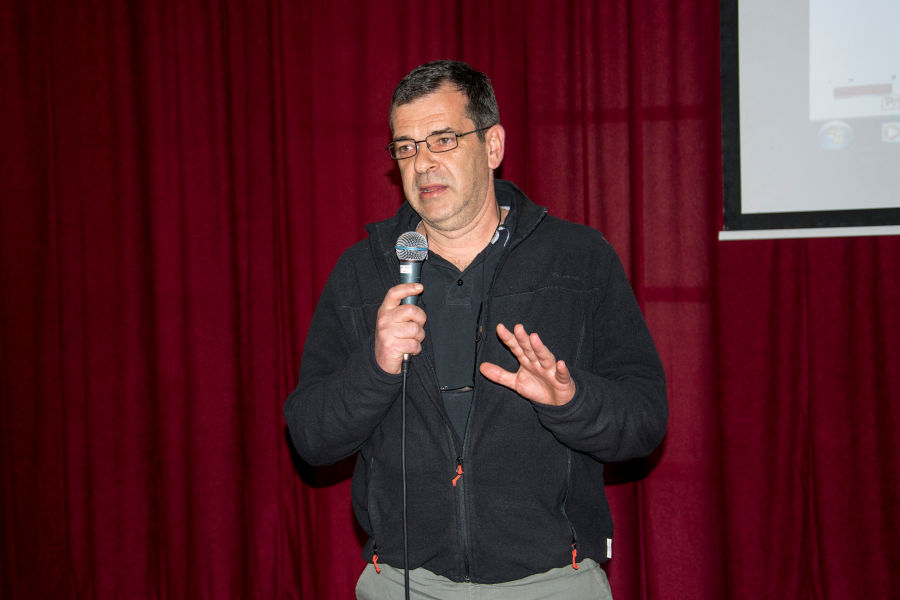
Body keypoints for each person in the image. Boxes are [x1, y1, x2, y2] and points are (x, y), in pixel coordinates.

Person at [284, 60, 667, 599]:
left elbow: (645, 420)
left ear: (492, 146)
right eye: (406, 147)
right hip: (405, 582)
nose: (423, 163)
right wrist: (375, 368)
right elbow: (310, 437)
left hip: (554, 581)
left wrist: (571, 400)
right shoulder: (362, 272)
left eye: (443, 140)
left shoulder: (578, 259)